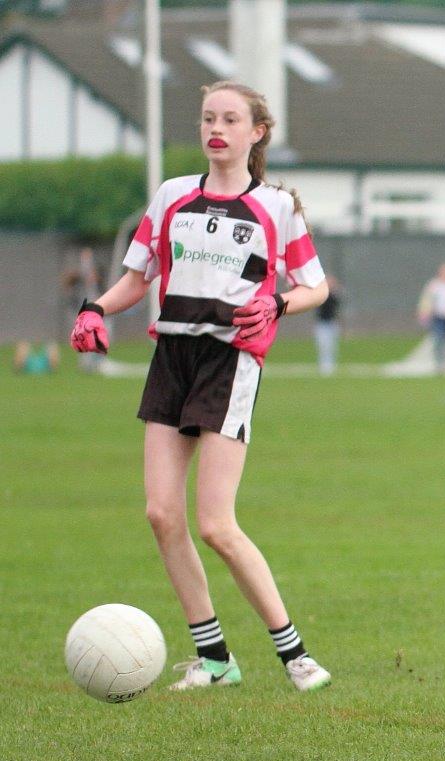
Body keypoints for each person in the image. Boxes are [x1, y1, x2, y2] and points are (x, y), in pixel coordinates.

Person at [68, 80, 333, 692]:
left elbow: (316, 285)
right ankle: (215, 660)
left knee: (215, 523)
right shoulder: (171, 196)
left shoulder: (276, 207)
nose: (216, 128)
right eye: (209, 118)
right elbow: (138, 277)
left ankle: (296, 657)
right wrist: (95, 309)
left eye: (231, 119)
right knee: (162, 513)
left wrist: (280, 305)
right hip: (172, 357)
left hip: (229, 361)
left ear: (256, 133)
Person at [418, 262, 445, 374]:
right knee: (438, 339)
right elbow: (426, 299)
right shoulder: (434, 285)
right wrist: (424, 314)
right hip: (438, 317)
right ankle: (439, 365)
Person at [314, 276, 341, 376]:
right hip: (322, 324)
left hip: (332, 323)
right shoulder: (322, 296)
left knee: (332, 345)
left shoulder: (334, 296)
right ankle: (324, 365)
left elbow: (337, 306)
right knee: (323, 345)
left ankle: (331, 364)